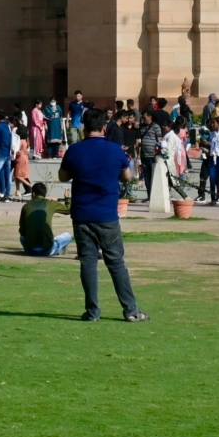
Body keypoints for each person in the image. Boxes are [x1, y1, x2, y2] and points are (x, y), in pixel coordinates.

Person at [58, 113, 145, 321]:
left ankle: (92, 311)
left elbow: (63, 176)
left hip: (82, 214)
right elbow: (127, 177)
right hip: (107, 215)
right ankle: (131, 310)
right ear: (104, 128)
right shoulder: (114, 150)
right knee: (116, 262)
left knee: (88, 263)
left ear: (84, 128)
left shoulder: (75, 150)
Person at [19, 180, 72, 256]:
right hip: (47, 250)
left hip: (30, 250)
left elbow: (22, 231)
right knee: (68, 236)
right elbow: (68, 210)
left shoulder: (26, 207)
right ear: (45, 194)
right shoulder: (51, 204)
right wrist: (67, 198)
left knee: (22, 238)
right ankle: (55, 249)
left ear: (33, 194)